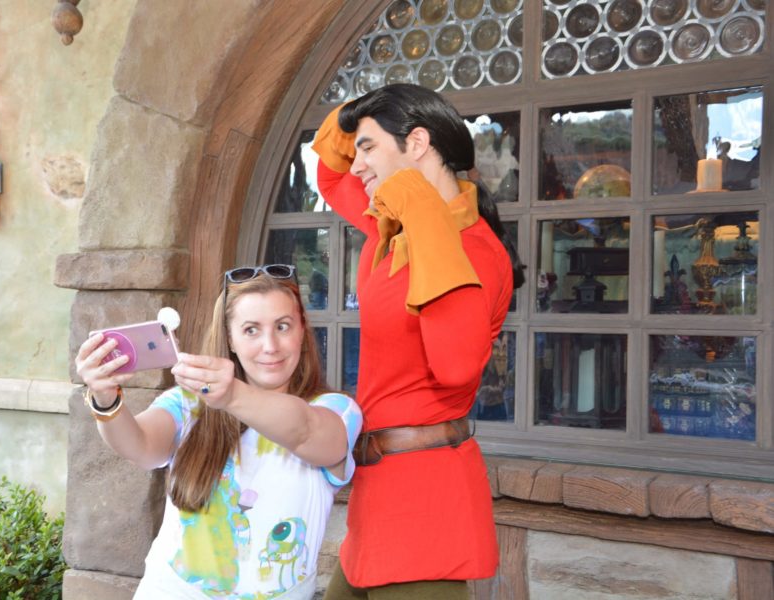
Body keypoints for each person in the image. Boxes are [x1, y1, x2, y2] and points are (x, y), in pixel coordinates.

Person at [311, 83, 526, 599]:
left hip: (428, 500)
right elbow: (329, 171)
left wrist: (421, 203)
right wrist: (359, 116)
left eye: (369, 148)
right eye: (358, 148)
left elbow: (455, 366)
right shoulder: (390, 232)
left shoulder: (478, 252)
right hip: (377, 494)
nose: (358, 165)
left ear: (418, 142)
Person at [76, 264, 362, 600]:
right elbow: (139, 446)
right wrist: (105, 399)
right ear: (230, 338)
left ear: (302, 330)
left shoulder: (336, 410)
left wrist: (231, 396)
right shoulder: (189, 404)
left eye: (283, 326)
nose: (270, 345)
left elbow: (306, 433)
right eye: (251, 330)